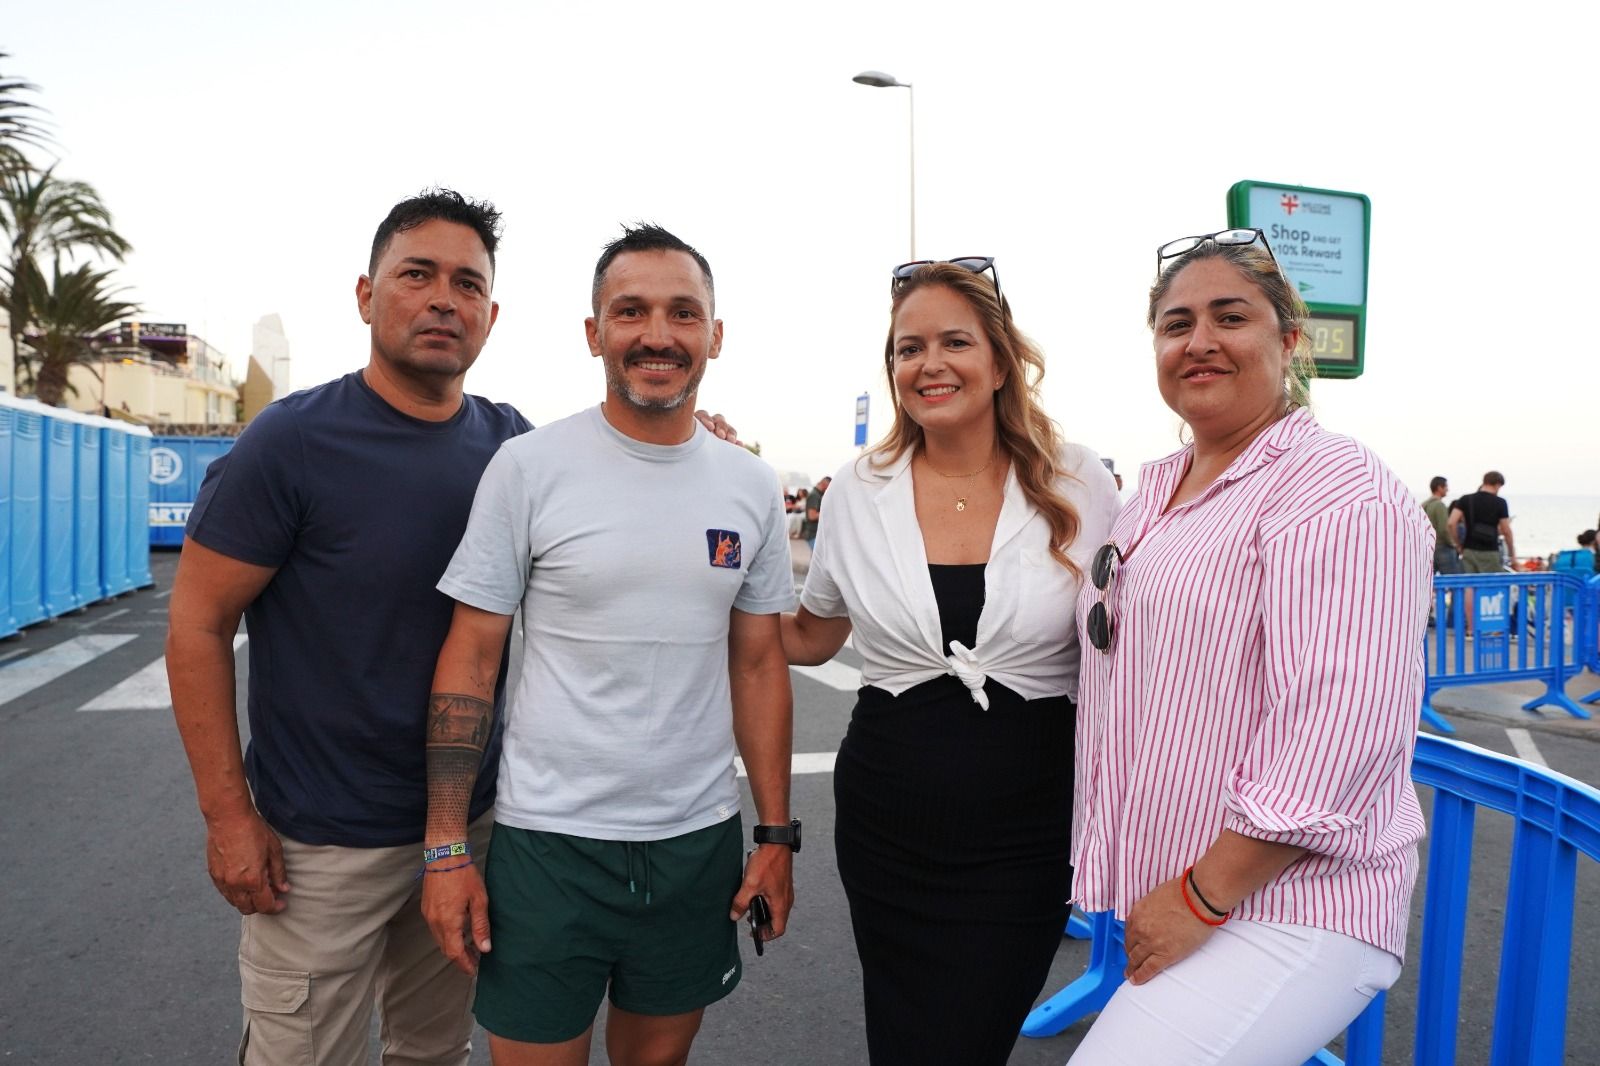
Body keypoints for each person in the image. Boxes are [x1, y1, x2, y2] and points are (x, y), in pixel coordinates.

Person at [166, 193, 734, 1066]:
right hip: (318, 844)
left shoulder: (512, 448)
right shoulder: (291, 442)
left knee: (433, 1053)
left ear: (492, 315)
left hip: (473, 830)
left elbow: (616, 485)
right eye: (416, 276)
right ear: (366, 295)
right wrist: (227, 817)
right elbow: (198, 625)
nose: (442, 300)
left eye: (467, 284)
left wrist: (693, 450)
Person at [420, 224, 795, 1066]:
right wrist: (445, 849)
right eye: (630, 311)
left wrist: (775, 837)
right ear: (595, 333)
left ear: (715, 335)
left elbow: (759, 662)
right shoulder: (528, 468)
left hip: (696, 844)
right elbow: (471, 659)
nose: (657, 334)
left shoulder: (749, 486)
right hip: (548, 845)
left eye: (682, 313)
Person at [1067, 228, 1432, 1064]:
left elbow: (1339, 727)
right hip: (1192, 894)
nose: (1198, 341)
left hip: (1288, 904)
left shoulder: (1337, 486)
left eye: (1230, 316)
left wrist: (1200, 896)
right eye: (1175, 323)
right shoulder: (1155, 487)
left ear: (1289, 340)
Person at [780, 258, 1119, 1064]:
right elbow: (810, 635)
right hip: (886, 825)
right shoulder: (861, 487)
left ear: (1000, 361)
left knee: (968, 1038)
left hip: (1028, 830)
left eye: (954, 341)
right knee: (903, 1039)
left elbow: (1135, 638)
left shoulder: (1081, 480)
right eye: (908, 348)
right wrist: (694, 603)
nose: (929, 363)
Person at [1447, 470, 1515, 572]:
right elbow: (1506, 531)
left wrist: (1458, 545)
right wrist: (1511, 553)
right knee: (1490, 584)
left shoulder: (1465, 499)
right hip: (1490, 551)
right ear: (1498, 485)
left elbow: (1451, 523)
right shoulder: (1500, 502)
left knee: (1469, 584)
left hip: (1469, 550)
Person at [1422, 475, 1461, 575]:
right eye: (1446, 486)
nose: (1448, 489)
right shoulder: (1439, 505)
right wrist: (1453, 544)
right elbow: (1444, 529)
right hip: (1442, 547)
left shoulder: (1424, 505)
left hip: (1428, 547)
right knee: (1453, 581)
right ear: (1439, 487)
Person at [799, 475, 830, 550]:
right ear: (824, 485)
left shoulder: (817, 494)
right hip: (813, 534)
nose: (828, 490)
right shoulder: (814, 495)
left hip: (815, 533)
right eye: (828, 487)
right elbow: (811, 516)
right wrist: (828, 512)